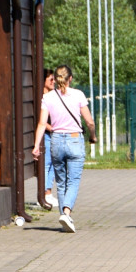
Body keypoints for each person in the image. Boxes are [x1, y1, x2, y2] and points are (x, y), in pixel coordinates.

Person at [33, 65, 96, 233]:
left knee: (61, 182)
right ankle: (66, 213)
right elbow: (89, 121)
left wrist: (36, 146)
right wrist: (93, 135)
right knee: (73, 181)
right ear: (70, 79)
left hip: (56, 141)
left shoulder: (48, 98)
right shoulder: (78, 95)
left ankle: (64, 219)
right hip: (74, 139)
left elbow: (41, 123)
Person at [41, 70, 58, 208]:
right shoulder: (42, 98)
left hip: (54, 134)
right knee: (46, 164)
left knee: (53, 164)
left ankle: (48, 192)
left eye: (54, 79)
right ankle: (43, 194)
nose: (53, 82)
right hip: (47, 134)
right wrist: (52, 129)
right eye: (50, 79)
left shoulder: (54, 96)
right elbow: (41, 119)